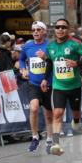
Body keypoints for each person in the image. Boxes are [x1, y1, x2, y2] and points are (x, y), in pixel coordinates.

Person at [41, 18, 82, 156]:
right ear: (55, 30)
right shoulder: (50, 47)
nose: (60, 29)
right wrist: (45, 79)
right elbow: (50, 64)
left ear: (68, 29)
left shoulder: (75, 44)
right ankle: (56, 143)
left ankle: (76, 121)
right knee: (57, 114)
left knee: (76, 113)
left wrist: (76, 63)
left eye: (63, 27)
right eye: (58, 27)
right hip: (58, 87)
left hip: (74, 86)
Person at [19, 21, 54, 153]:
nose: (35, 32)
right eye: (33, 30)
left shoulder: (50, 46)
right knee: (33, 108)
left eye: (38, 30)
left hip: (48, 83)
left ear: (44, 32)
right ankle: (35, 137)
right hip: (33, 84)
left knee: (48, 114)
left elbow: (56, 62)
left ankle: (50, 139)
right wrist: (23, 69)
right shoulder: (27, 46)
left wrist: (45, 58)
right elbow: (21, 59)